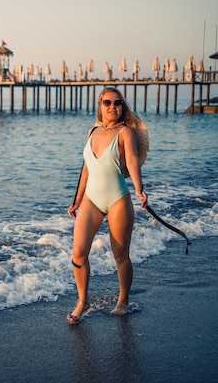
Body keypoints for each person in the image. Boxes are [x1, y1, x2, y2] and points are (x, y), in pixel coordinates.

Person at [66, 87, 148, 325]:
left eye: (117, 103)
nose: (113, 107)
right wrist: (77, 200)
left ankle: (123, 300)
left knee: (120, 254)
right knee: (79, 253)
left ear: (123, 107)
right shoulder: (92, 131)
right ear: (100, 106)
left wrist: (139, 188)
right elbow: (87, 168)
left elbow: (132, 161)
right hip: (91, 200)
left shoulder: (125, 132)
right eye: (107, 103)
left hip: (117, 200)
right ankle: (83, 302)